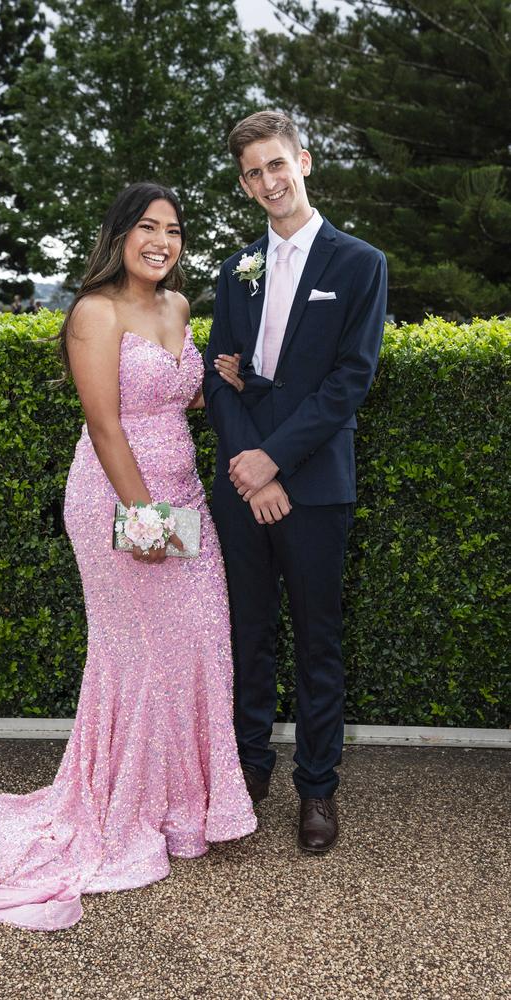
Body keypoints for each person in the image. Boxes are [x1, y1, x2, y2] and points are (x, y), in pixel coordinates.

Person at [0, 181, 256, 931]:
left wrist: (210, 383)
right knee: (136, 655)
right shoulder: (94, 312)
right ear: (120, 235)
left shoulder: (179, 308)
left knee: (197, 646)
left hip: (185, 496)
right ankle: (125, 806)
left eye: (174, 229)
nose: (161, 241)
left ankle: (179, 808)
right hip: (119, 501)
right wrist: (144, 519)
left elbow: (170, 391)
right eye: (147, 228)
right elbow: (105, 424)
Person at [204, 110, 387, 854]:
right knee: (246, 635)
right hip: (245, 486)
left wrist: (272, 459)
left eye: (276, 164)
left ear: (303, 161)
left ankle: (317, 789)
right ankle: (247, 772)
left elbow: (349, 381)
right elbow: (218, 379)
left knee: (317, 641)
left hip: (313, 485)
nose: (268, 181)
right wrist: (251, 472)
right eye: (253, 172)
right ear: (245, 185)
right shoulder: (235, 269)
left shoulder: (359, 264)